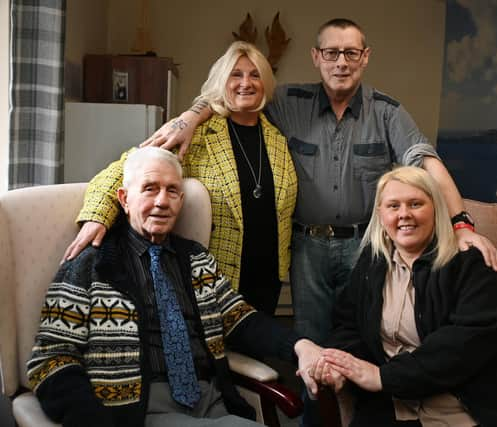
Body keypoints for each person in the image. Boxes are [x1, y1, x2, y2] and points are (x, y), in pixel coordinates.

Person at [140, 18, 497, 347]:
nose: (341, 62)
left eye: (351, 52)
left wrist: (462, 225)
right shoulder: (286, 102)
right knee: (310, 339)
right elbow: (233, 92)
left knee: (364, 334)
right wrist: (189, 117)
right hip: (307, 247)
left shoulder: (387, 111)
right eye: (331, 52)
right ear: (317, 57)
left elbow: (427, 163)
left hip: (367, 244)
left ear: (365, 57)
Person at [27, 147, 321, 427]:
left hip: (210, 399)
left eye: (172, 191)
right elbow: (51, 359)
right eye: (150, 188)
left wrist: (300, 345)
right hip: (140, 408)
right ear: (124, 198)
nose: (162, 201)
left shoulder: (196, 258)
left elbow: (239, 318)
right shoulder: (90, 265)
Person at [310, 166, 497, 427]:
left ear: (436, 209)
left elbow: (467, 344)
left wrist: (382, 377)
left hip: (470, 401)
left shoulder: (471, 262)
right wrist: (342, 364)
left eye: (416, 204)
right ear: (381, 216)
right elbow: (348, 324)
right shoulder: (372, 264)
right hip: (396, 400)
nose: (404, 214)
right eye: (393, 206)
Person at [63, 41, 297, 315]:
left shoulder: (278, 138)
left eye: (254, 74)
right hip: (215, 278)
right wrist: (97, 216)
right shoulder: (194, 134)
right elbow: (126, 168)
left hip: (267, 278)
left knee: (259, 348)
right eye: (236, 74)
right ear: (222, 82)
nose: (246, 83)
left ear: (266, 82)